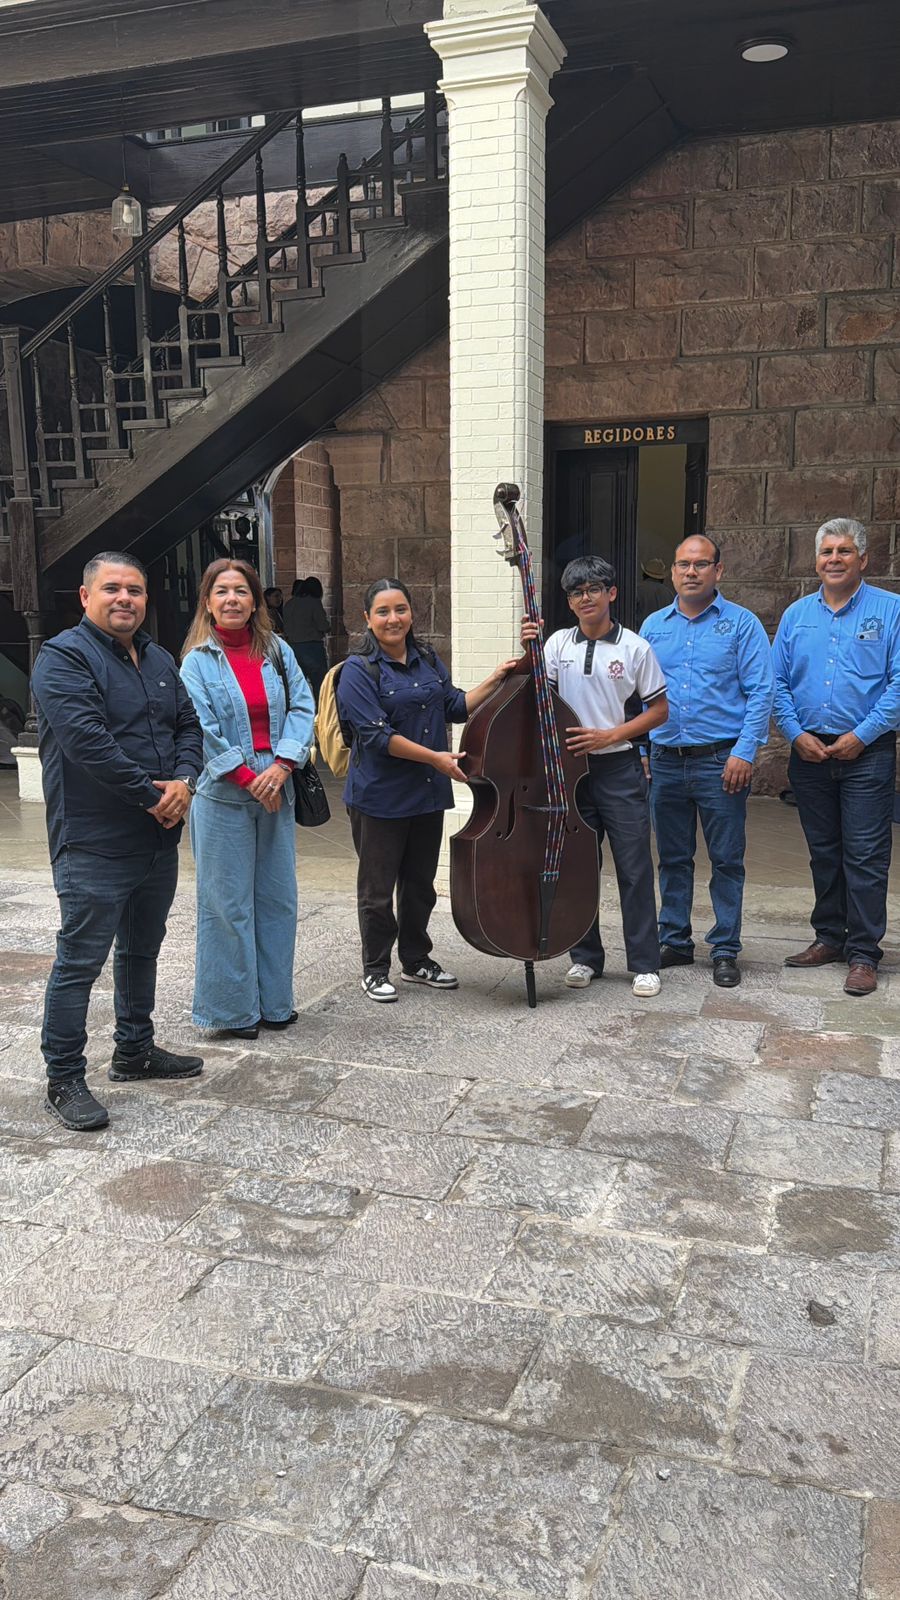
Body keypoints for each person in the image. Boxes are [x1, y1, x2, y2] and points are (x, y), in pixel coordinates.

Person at [31, 552, 205, 1132]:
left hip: (156, 838)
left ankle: (134, 1050)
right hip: (94, 839)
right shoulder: (62, 658)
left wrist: (184, 781)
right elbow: (87, 741)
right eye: (112, 589)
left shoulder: (157, 657)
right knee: (80, 960)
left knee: (141, 949)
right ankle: (64, 1076)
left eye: (134, 589)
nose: (124, 598)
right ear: (86, 598)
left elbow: (188, 724)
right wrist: (152, 795)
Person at [337, 577, 517, 1002]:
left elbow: (453, 705)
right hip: (379, 797)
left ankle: (416, 960)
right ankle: (375, 968)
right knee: (378, 890)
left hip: (426, 794)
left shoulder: (427, 658)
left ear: (411, 613)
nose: (393, 618)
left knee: (419, 884)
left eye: (400, 609)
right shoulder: (357, 672)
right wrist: (436, 758)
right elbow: (377, 736)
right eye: (382, 611)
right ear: (367, 619)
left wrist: (495, 679)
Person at [522, 555, 668, 997]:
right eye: (576, 592)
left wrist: (610, 735)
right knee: (579, 868)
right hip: (571, 773)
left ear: (612, 594)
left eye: (593, 589)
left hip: (619, 768)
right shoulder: (556, 646)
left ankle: (645, 963)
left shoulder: (635, 648)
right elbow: (539, 703)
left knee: (635, 868)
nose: (585, 598)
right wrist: (527, 648)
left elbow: (659, 711)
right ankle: (585, 958)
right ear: (569, 602)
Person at [180, 560, 315, 1037]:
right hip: (223, 794)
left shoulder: (276, 651)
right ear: (209, 602)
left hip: (278, 784)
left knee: (277, 899)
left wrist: (281, 767)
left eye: (241, 591)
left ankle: (275, 1003)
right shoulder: (196, 661)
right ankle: (232, 1011)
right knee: (226, 904)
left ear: (256, 601)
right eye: (222, 591)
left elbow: (303, 704)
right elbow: (199, 725)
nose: (232, 599)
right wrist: (245, 775)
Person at [639, 534, 774, 988]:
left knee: (726, 859)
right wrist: (642, 751)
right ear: (673, 572)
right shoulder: (653, 627)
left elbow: (761, 692)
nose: (691, 572)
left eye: (700, 564)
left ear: (719, 570)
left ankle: (724, 949)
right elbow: (640, 696)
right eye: (682, 564)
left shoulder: (742, 625)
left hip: (721, 761)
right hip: (665, 761)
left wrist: (744, 751)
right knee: (673, 857)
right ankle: (674, 939)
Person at [773, 517, 900, 997]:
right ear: (816, 559)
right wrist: (793, 731)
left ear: (863, 559)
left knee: (866, 855)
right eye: (827, 552)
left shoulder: (891, 612)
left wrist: (863, 735)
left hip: (866, 752)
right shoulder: (796, 615)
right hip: (808, 751)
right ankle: (829, 936)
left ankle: (864, 952)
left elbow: (898, 684)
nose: (834, 559)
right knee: (824, 852)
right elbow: (777, 682)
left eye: (844, 552)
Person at [282, 576, 330, 705]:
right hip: (312, 647)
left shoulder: (289, 603)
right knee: (320, 684)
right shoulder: (313, 602)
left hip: (293, 647)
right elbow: (322, 625)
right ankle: (321, 714)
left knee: (297, 684)